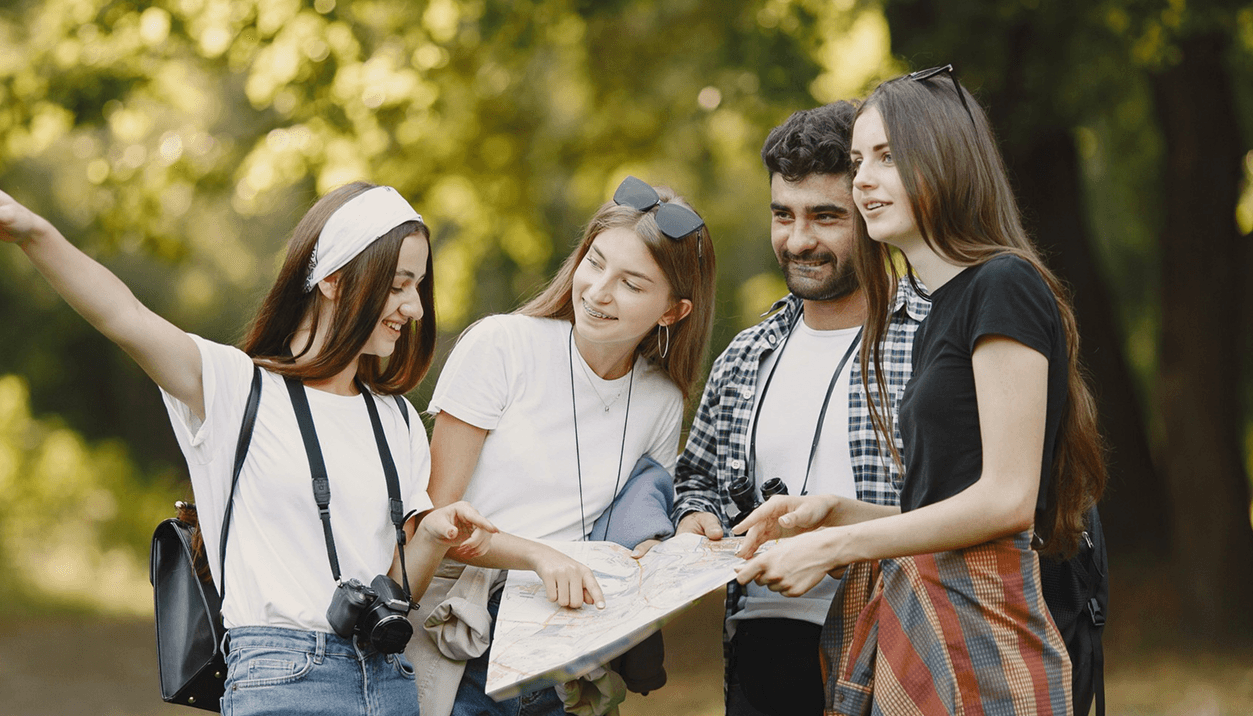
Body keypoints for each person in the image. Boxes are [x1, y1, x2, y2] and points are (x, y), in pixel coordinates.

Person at [0, 157, 499, 716]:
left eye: (419, 286)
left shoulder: (396, 419)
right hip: (284, 682)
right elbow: (122, 314)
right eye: (400, 285)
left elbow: (401, 589)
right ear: (332, 278)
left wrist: (431, 538)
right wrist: (33, 233)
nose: (415, 307)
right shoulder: (237, 388)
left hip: (390, 684)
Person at [731, 66, 1107, 715]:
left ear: (943, 160)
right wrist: (830, 512)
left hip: (983, 643)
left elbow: (1007, 503)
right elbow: (949, 514)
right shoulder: (942, 309)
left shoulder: (1002, 285)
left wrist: (836, 546)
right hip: (928, 628)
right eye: (857, 161)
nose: (863, 180)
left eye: (886, 156)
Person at [410, 176, 717, 716]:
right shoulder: (503, 345)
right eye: (594, 262)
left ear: (673, 312)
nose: (599, 291)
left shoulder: (662, 399)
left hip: (571, 651)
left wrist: (675, 545)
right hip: (466, 632)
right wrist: (538, 555)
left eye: (632, 284)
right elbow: (430, 524)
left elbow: (632, 522)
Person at [669, 101, 929, 716]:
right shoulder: (744, 356)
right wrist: (696, 520)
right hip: (761, 652)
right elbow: (696, 479)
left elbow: (973, 506)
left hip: (897, 640)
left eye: (825, 216)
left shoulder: (933, 341)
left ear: (872, 210)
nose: (798, 239)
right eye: (783, 215)